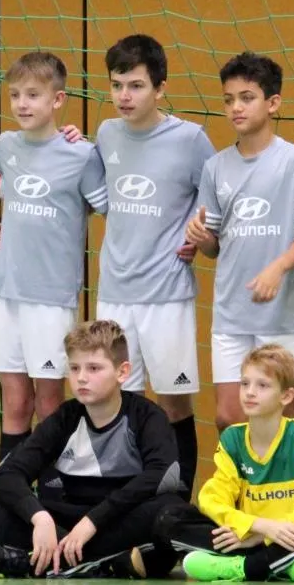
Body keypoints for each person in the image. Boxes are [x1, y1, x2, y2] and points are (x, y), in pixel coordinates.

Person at [92, 34, 216, 494]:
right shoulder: (105, 134)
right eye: (117, 85)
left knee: (174, 402)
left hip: (167, 294)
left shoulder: (190, 140)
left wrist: (200, 236)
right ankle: (123, 502)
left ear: (160, 88)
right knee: (118, 402)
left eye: (136, 85)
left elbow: (216, 200)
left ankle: (177, 502)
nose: (124, 96)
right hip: (114, 293)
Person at [0, 320, 183, 579]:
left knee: (170, 511)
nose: (82, 377)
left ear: (122, 372)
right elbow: (6, 475)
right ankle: (97, 563)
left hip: (120, 518)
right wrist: (40, 518)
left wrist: (93, 521)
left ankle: (42, 563)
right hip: (70, 523)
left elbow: (163, 475)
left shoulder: (146, 416)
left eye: (94, 368)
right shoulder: (66, 418)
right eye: (74, 368)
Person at [185, 52, 294, 431]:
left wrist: (278, 269)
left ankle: (283, 475)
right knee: (229, 417)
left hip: (281, 313)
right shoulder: (215, 167)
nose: (236, 107)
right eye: (229, 99)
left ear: (273, 103)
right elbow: (214, 247)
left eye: (247, 98)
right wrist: (202, 237)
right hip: (231, 310)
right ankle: (243, 475)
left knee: (280, 420)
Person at [154, 344, 294, 583]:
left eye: (262, 385)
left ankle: (244, 567)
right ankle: (285, 566)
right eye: (245, 383)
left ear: (286, 396)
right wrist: (259, 526)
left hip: (289, 534)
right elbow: (211, 500)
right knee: (168, 519)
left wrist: (268, 533)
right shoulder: (232, 439)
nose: (250, 392)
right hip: (248, 536)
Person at [0, 51, 107, 462]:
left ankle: (55, 491)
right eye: (15, 94)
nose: (22, 104)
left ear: (57, 99)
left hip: (51, 297)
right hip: (5, 291)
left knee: (49, 400)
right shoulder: (6, 145)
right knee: (15, 402)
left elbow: (111, 209)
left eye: (33, 95)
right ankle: (12, 491)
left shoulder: (81, 154)